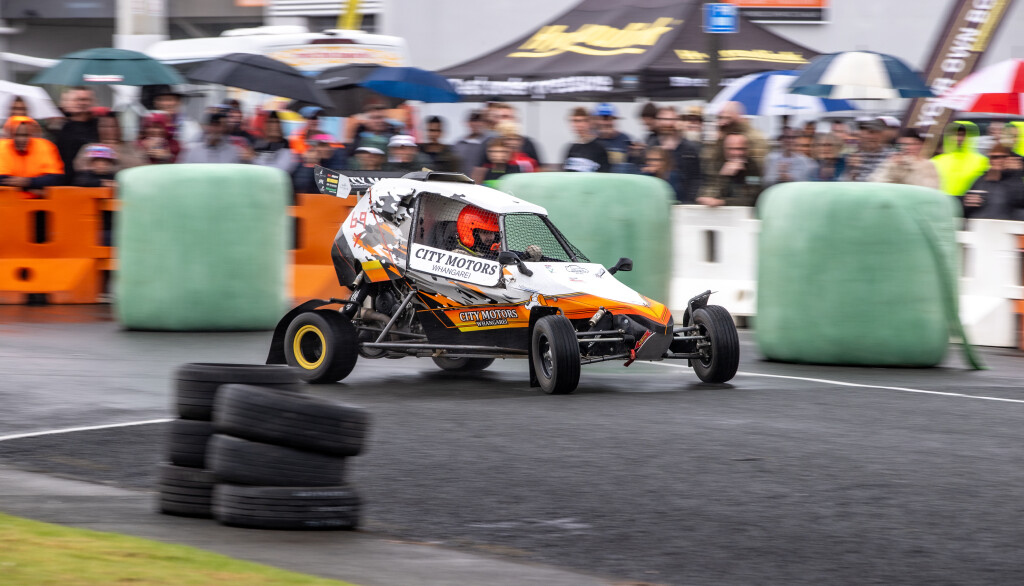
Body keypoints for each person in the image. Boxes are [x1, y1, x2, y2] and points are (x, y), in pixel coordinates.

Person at [0, 117, 64, 196]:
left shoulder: (46, 146)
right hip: (8, 200)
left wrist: (28, 182)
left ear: (32, 134)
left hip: (39, 201)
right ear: (10, 135)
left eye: (26, 135)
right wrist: (30, 187)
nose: (21, 139)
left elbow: (56, 178)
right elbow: (2, 179)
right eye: (17, 135)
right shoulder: (2, 147)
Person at [697, 132, 763, 207]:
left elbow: (753, 198)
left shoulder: (752, 166)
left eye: (741, 149)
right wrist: (723, 176)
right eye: (731, 149)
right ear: (724, 149)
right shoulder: (715, 163)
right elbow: (706, 196)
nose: (737, 153)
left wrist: (723, 202)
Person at [962, 145, 1024, 220]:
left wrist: (1015, 173)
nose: (998, 160)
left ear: (1008, 159)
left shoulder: (1014, 180)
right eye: (994, 157)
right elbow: (966, 209)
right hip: (982, 223)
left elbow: (1020, 201)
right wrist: (968, 204)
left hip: (1006, 223)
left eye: (1002, 157)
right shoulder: (981, 181)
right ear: (990, 160)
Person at [73, 112, 145, 175]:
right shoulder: (89, 147)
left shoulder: (131, 146)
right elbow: (78, 166)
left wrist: (115, 153)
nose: (109, 130)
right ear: (98, 128)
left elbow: (142, 166)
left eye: (113, 126)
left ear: (120, 128)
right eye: (104, 126)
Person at [868, 128, 941, 190]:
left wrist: (910, 166)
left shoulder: (928, 165)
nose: (906, 148)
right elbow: (876, 183)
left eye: (910, 144)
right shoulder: (893, 162)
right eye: (902, 144)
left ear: (920, 145)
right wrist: (893, 168)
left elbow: (928, 188)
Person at [54, 87, 99, 184]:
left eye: (86, 99)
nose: (82, 103)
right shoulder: (62, 128)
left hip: (95, 180)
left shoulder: (100, 125)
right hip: (69, 182)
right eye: (78, 99)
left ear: (93, 102)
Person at [932, 121, 990, 196]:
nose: (959, 138)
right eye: (955, 135)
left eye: (963, 135)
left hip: (970, 202)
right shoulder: (937, 161)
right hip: (943, 201)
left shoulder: (982, 161)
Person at [563, 107, 609, 172]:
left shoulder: (599, 148)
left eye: (581, 121)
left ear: (589, 123)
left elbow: (605, 174)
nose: (578, 125)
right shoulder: (571, 149)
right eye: (575, 121)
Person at [593, 103, 636, 173]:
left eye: (609, 119)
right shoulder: (593, 141)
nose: (606, 123)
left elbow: (632, 166)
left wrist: (636, 155)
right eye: (603, 119)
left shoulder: (625, 139)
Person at [453, 110, 493, 177]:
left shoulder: (491, 142)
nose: (476, 124)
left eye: (479, 120)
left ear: (485, 123)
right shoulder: (458, 144)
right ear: (467, 123)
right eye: (473, 120)